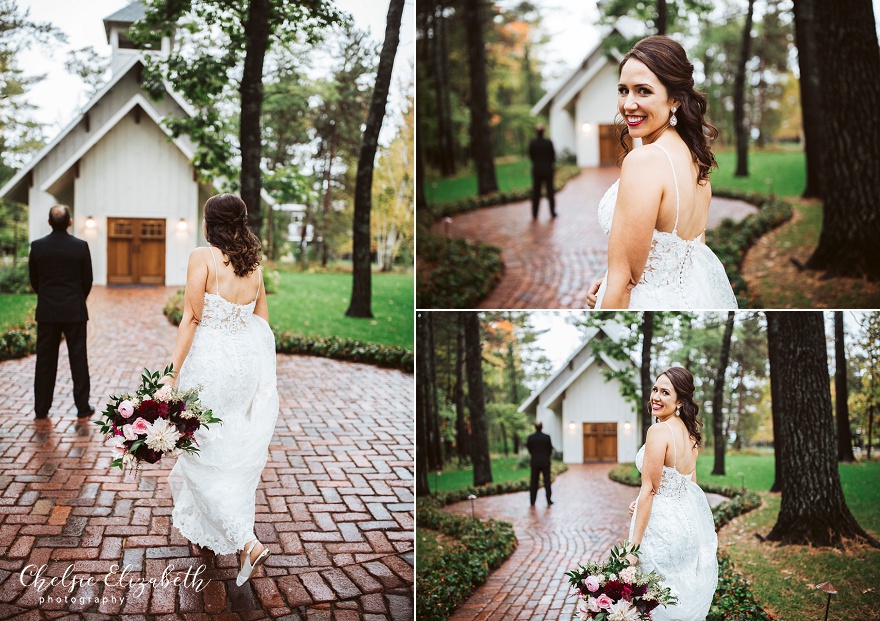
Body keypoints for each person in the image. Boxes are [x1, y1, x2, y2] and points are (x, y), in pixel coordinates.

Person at [166, 194, 279, 586]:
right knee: (226, 448)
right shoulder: (255, 266)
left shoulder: (204, 256)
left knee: (198, 452)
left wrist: (171, 374)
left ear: (209, 222)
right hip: (244, 368)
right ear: (242, 222)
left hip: (210, 365)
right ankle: (208, 535)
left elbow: (191, 318)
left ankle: (245, 540)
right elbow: (262, 325)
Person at [586, 36, 737, 310]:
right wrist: (609, 278)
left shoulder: (645, 160)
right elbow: (684, 253)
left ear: (675, 99)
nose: (628, 104)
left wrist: (612, 292)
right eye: (623, 90)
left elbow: (626, 283)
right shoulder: (696, 162)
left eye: (643, 91)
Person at [627, 367, 717, 620]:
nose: (655, 396)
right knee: (676, 595)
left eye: (665, 392)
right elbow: (690, 487)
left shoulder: (658, 431)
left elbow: (650, 490)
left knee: (651, 602)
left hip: (659, 531)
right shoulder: (690, 435)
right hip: (684, 531)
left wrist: (631, 551)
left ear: (680, 401)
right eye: (655, 389)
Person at [28, 205, 94, 422]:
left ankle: (41, 408)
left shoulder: (37, 247)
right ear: (69, 222)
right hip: (74, 310)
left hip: (47, 312)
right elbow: (88, 280)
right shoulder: (80, 246)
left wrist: (48, 298)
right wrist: (76, 299)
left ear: (49, 222)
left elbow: (34, 280)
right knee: (78, 358)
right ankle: (82, 407)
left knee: (45, 361)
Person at [528, 124, 556, 219]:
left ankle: (534, 213)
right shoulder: (548, 143)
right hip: (548, 170)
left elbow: (531, 156)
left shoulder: (533, 143)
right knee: (550, 192)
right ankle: (552, 212)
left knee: (536, 192)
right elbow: (553, 156)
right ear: (544, 132)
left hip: (537, 170)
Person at [526, 421, 553, 506]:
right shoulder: (546, 437)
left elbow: (529, 449)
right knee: (547, 481)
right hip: (545, 462)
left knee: (534, 482)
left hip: (535, 462)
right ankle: (548, 500)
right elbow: (550, 449)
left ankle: (532, 501)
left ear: (535, 427)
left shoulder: (530, 438)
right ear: (542, 427)